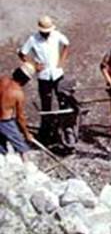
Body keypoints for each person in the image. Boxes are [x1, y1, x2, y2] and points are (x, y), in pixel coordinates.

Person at [17, 15, 69, 144]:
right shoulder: (33, 39)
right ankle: (46, 131)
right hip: (44, 76)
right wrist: (33, 65)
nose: (46, 34)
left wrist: (61, 61)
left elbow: (67, 45)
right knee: (46, 104)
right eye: (44, 32)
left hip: (57, 73)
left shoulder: (57, 35)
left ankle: (63, 129)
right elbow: (22, 53)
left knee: (63, 101)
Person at [0, 63, 36, 161]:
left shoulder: (3, 80)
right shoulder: (18, 93)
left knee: (1, 150)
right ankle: (30, 171)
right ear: (26, 80)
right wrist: (26, 133)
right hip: (6, 122)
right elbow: (20, 117)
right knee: (22, 149)